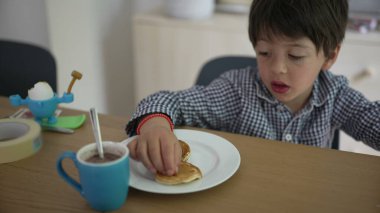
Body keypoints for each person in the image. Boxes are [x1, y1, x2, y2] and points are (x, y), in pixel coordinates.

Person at [126, 0, 380, 176]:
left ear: (329, 57)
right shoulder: (237, 90)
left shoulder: (335, 96)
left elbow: (372, 122)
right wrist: (155, 125)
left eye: (295, 55)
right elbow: (167, 101)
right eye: (265, 52)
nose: (278, 67)